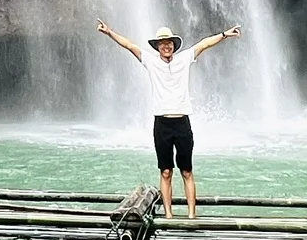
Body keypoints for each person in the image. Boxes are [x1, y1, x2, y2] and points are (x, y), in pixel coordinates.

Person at [95, 19, 241, 218]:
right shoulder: (150, 61)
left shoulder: (185, 58)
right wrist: (109, 32)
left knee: (187, 171)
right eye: (162, 43)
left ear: (174, 45)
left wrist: (224, 34)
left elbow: (204, 43)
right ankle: (169, 216)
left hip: (182, 122)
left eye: (169, 42)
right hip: (162, 123)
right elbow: (129, 45)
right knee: (166, 172)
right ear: (157, 46)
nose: (166, 45)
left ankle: (191, 216)